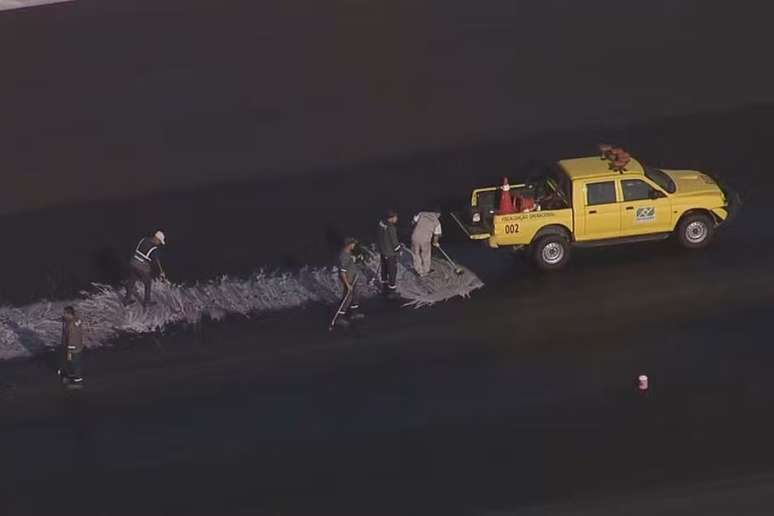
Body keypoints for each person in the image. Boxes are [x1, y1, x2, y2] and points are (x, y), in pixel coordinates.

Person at [123, 230, 167, 309]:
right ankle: (147, 302)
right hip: (141, 266)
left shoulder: (144, 239)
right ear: (156, 239)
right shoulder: (154, 249)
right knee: (148, 283)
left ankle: (126, 300)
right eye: (160, 242)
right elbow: (156, 261)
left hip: (132, 262)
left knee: (132, 280)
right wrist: (161, 272)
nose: (159, 244)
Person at [334, 237, 365, 327]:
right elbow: (342, 272)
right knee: (347, 298)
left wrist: (358, 259)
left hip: (353, 277)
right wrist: (347, 284)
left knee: (356, 295)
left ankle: (354, 313)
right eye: (353, 244)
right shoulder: (343, 256)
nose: (354, 245)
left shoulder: (349, 252)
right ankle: (339, 317)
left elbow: (352, 262)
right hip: (348, 279)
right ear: (348, 245)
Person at [376, 209, 401, 298]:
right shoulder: (391, 228)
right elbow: (394, 242)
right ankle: (392, 292)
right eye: (395, 217)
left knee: (384, 269)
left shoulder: (381, 223)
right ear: (391, 218)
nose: (396, 219)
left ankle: (384, 287)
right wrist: (399, 250)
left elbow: (378, 236)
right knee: (392, 271)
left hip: (383, 251)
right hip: (390, 253)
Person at [411, 210, 442, 276]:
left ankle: (418, 271)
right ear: (438, 214)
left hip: (415, 236)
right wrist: (435, 242)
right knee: (426, 254)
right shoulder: (437, 222)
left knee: (415, 253)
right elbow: (436, 235)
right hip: (425, 239)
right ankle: (426, 270)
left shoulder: (422, 213)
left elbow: (413, 221)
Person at [58, 306, 84, 384]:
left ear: (69, 314)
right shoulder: (74, 320)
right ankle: (70, 372)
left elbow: (72, 338)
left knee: (73, 361)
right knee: (71, 360)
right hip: (74, 345)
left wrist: (69, 348)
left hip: (73, 347)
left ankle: (77, 377)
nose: (63, 315)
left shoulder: (72, 325)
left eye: (65, 313)